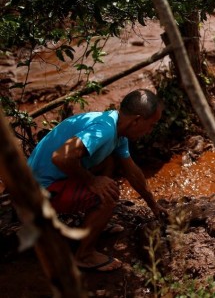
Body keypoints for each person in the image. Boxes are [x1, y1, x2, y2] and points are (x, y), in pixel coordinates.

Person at [28, 88, 167, 272]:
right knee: (108, 194)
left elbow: (132, 172)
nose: (150, 130)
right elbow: (61, 157)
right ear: (137, 120)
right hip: (34, 193)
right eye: (151, 124)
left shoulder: (116, 129)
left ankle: (93, 222)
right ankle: (84, 255)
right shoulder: (104, 130)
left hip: (38, 183)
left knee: (109, 160)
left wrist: (154, 205)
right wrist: (93, 181)